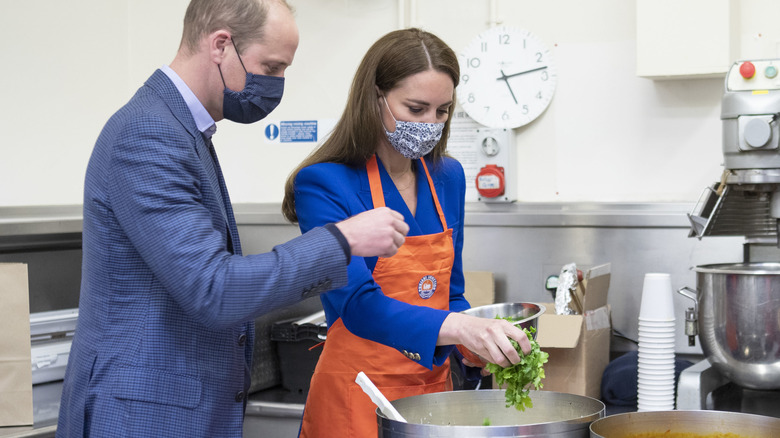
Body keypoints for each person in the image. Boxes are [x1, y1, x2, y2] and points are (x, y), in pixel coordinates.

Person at [56, 1, 409, 436]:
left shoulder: (183, 130)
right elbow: (213, 288)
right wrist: (341, 239)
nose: (277, 84)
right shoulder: (149, 133)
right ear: (221, 44)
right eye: (272, 66)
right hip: (144, 415)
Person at [281, 28, 532, 438]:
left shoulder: (447, 177)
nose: (430, 124)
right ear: (375, 98)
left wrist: (476, 346)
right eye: (416, 108)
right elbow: (359, 306)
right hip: (357, 396)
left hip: (433, 397)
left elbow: (450, 295)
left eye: (443, 111)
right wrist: (462, 328)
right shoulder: (325, 184)